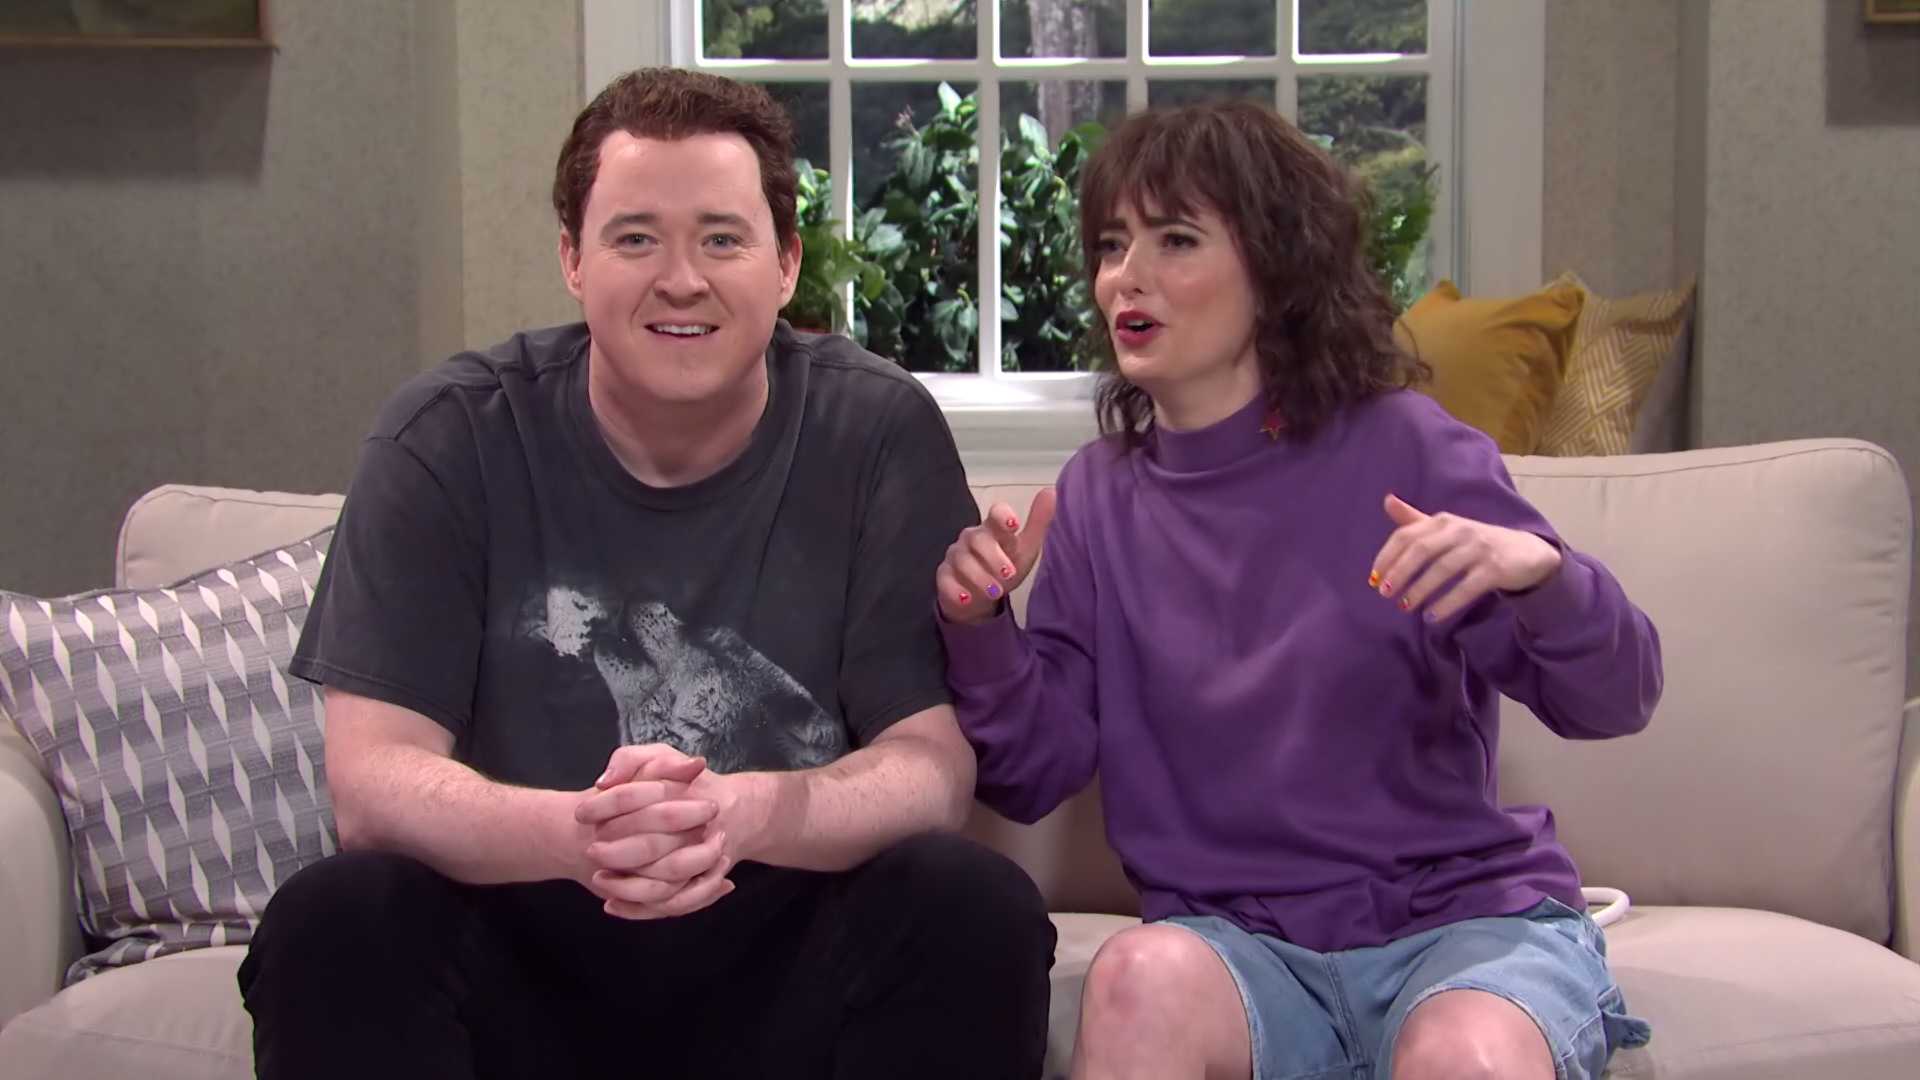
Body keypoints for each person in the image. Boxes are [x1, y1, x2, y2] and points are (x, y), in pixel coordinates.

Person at [238, 68, 1055, 1080]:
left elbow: (931, 769)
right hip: (523, 946)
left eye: (721, 239)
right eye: (635, 239)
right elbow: (371, 783)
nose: (681, 279)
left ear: (786, 263)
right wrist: (586, 835)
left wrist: (734, 817)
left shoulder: (876, 429)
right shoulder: (446, 435)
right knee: (336, 917)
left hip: (783, 946)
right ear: (572, 259)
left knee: (972, 906)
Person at [936, 99, 1660, 1080]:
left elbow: (1615, 699)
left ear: (1277, 270)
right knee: (1136, 980)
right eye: (1111, 245)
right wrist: (980, 625)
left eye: (1175, 239)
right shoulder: (1098, 498)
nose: (1125, 277)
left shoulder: (1409, 448)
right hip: (1242, 951)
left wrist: (1542, 577)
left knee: (1465, 1058)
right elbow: (1037, 771)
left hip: (1460, 932)